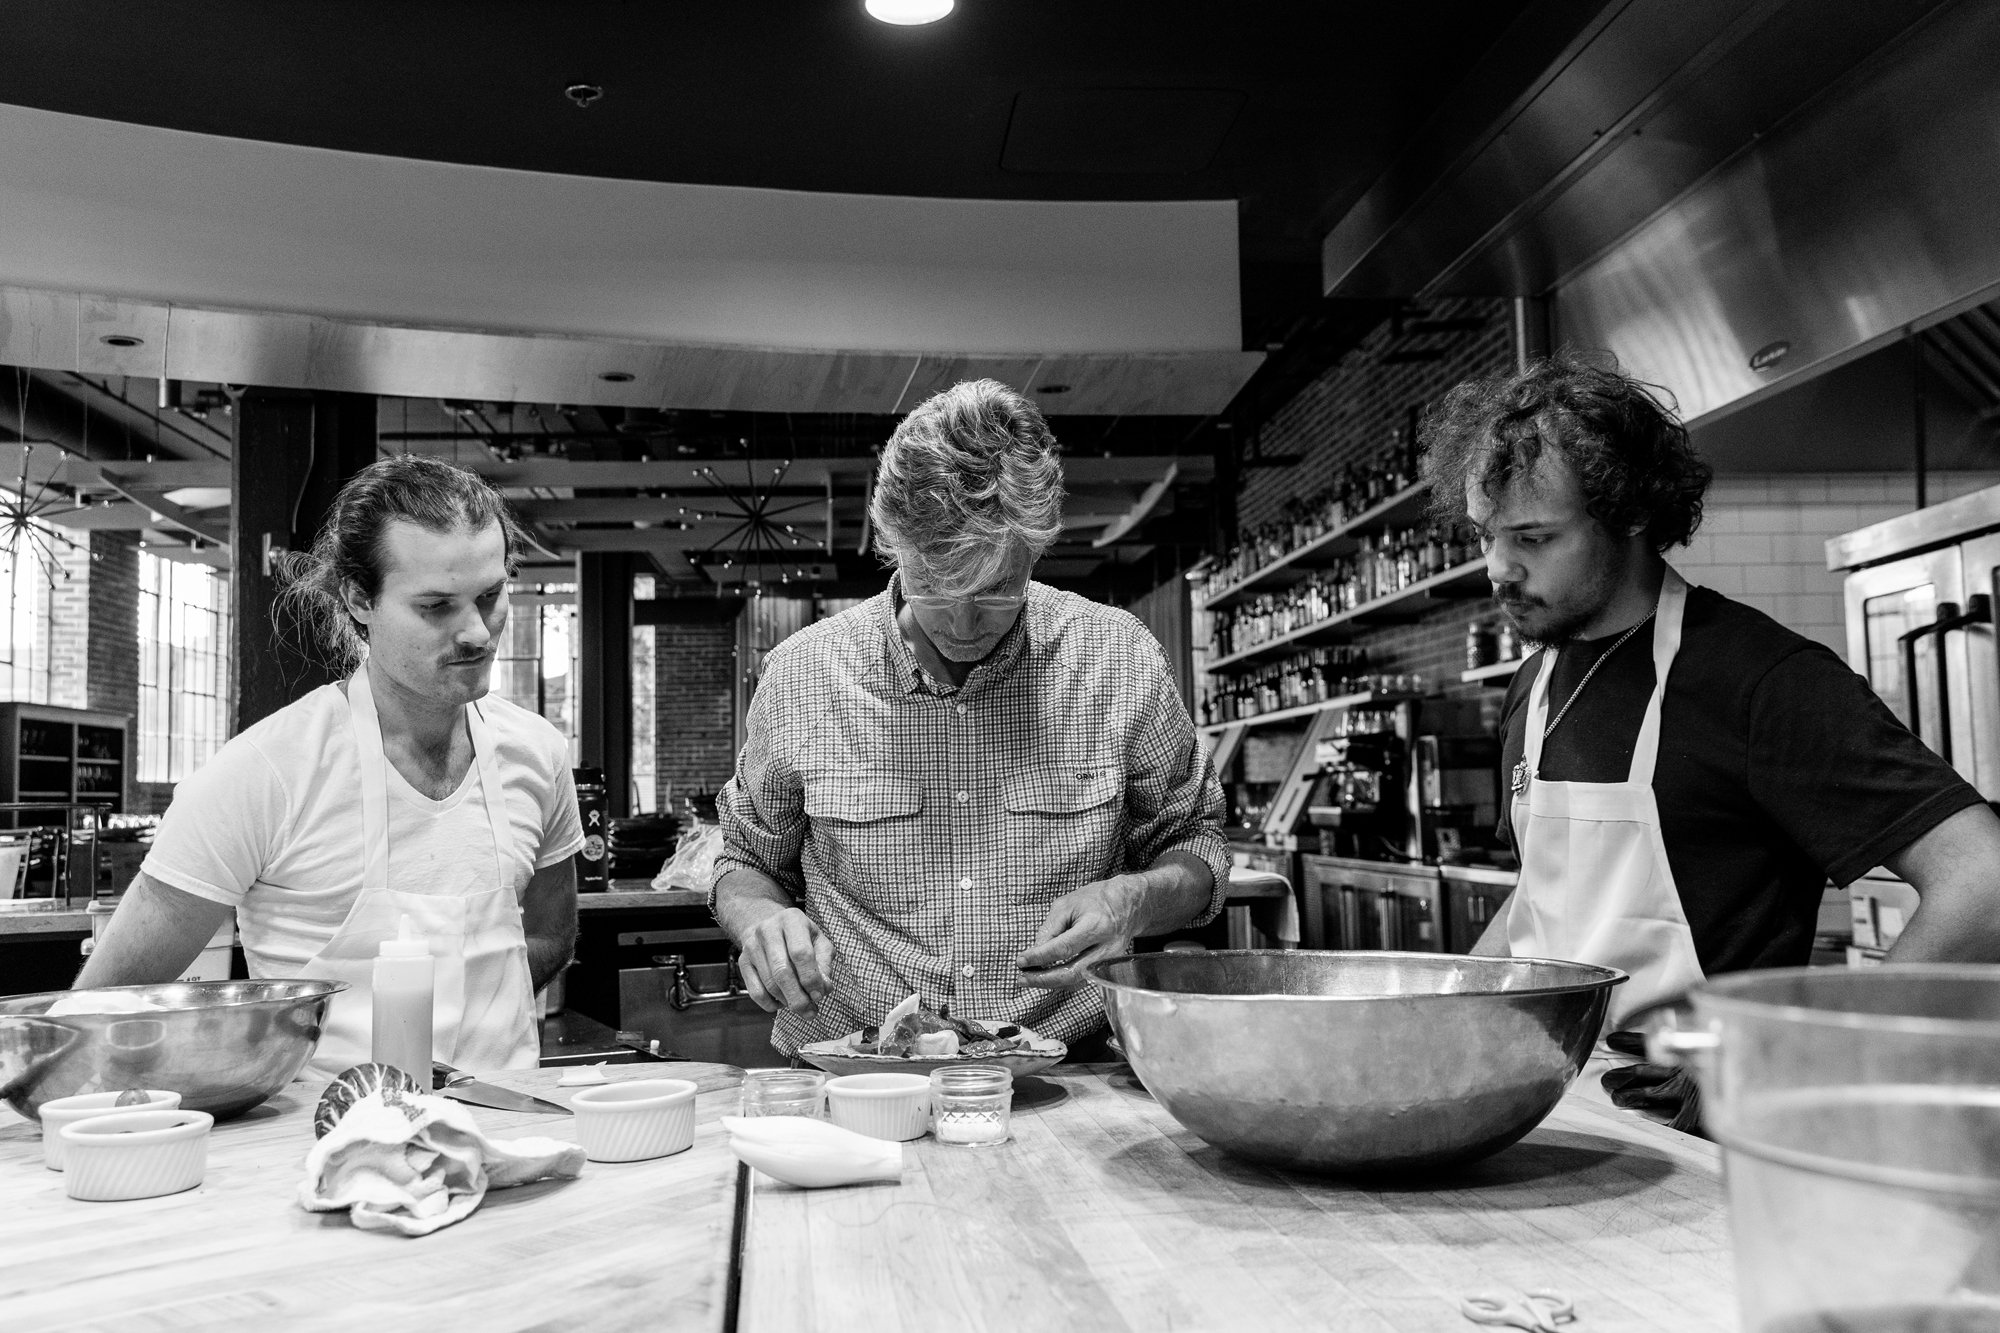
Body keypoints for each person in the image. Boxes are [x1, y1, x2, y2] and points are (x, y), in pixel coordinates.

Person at [1423, 352, 2000, 1120]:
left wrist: (1806, 1053)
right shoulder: (1534, 686)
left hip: (1702, 1132)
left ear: (1627, 513)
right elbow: (1546, 903)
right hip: (1552, 1100)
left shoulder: (1761, 679)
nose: (1497, 569)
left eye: (1532, 538)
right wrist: (1432, 1019)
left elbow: (1982, 880)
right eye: (1484, 535)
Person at [712, 378, 1229, 1057]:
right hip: (852, 1078)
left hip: (1065, 1077)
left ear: (1035, 549)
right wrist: (762, 920)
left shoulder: (1118, 660)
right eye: (934, 586)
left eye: (993, 592)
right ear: (895, 546)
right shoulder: (803, 676)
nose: (961, 623)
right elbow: (747, 860)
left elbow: (1197, 844)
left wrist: (1134, 899)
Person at [76, 457, 583, 1078]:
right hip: (321, 1149)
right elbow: (103, 1006)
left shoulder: (539, 752)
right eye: (436, 606)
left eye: (490, 596)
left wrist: (475, 1022)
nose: (477, 633)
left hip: (508, 1136)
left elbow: (550, 935)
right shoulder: (263, 773)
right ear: (358, 598)